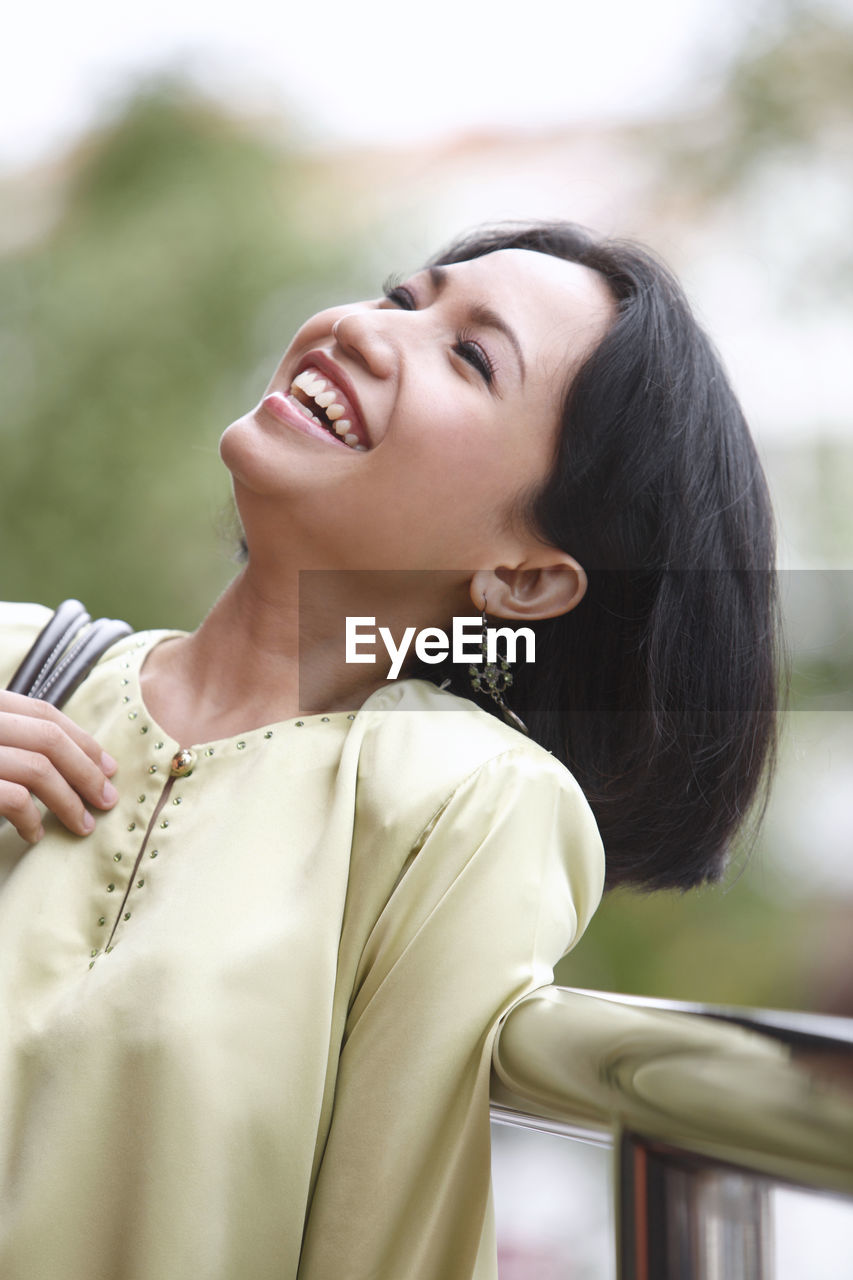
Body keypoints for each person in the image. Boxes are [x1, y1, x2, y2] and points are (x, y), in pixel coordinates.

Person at [0, 221, 779, 1279]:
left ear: (526, 579)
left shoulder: (459, 808)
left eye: (468, 355)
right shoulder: (15, 659)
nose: (369, 332)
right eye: (401, 297)